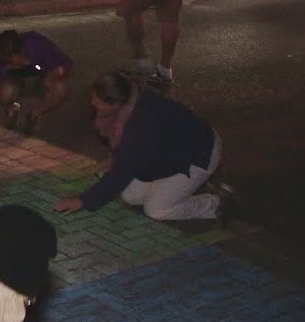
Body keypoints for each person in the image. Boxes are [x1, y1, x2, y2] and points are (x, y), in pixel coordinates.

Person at [54, 71, 228, 221]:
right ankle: (181, 189)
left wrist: (81, 201)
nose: (92, 103)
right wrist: (114, 158)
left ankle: (217, 203)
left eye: (97, 101)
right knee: (130, 195)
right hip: (170, 151)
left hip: (199, 154)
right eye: (92, 97)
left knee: (156, 210)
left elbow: (121, 173)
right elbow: (125, 159)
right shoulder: (130, 99)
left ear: (115, 104)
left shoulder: (139, 129)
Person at [0, 29, 73, 132]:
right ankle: (13, 109)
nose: (7, 64)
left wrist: (55, 73)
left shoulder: (38, 43)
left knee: (61, 88)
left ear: (21, 51)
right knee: (4, 92)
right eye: (4, 61)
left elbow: (66, 63)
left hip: (40, 79)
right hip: (14, 82)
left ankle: (35, 114)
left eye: (10, 61)